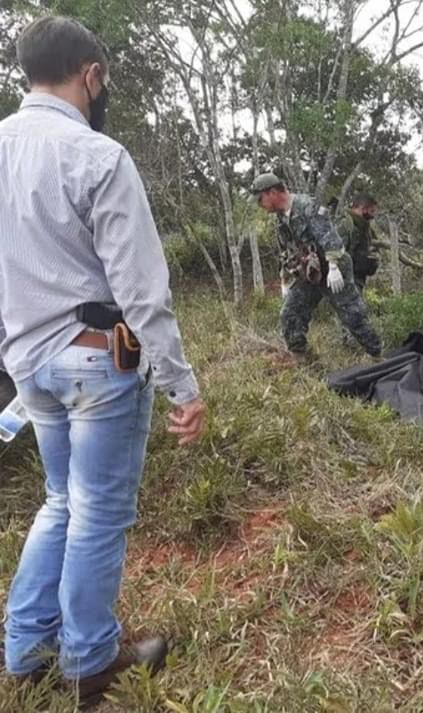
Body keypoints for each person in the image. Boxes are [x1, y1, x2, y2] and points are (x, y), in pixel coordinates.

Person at [0, 16, 206, 702]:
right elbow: (142, 293)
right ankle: (91, 659)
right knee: (96, 511)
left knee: (60, 500)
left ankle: (26, 650)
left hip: (27, 366)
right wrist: (184, 385)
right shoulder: (98, 156)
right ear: (90, 74)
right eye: (103, 80)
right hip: (97, 366)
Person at [250, 173, 382, 360]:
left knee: (352, 315)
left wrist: (334, 266)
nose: (259, 204)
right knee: (291, 313)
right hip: (310, 271)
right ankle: (300, 357)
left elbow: (330, 237)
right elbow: (287, 251)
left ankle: (377, 353)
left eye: (260, 199)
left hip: (333, 267)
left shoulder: (306, 206)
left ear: (272, 192)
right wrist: (285, 281)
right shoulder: (280, 218)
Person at [338, 191, 382, 293]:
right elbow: (337, 254)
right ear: (363, 208)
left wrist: (371, 262)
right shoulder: (345, 225)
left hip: (358, 281)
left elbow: (373, 250)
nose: (373, 216)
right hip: (345, 281)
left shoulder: (366, 228)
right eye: (371, 211)